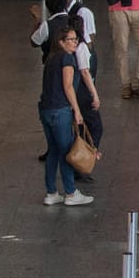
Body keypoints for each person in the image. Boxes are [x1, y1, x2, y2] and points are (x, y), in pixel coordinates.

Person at [39, 23, 94, 206]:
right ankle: (70, 192)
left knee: (53, 151)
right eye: (70, 39)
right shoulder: (67, 59)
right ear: (61, 42)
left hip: (46, 109)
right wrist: (77, 111)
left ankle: (51, 192)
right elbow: (68, 86)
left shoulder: (51, 58)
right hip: (60, 110)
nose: (74, 42)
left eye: (75, 39)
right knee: (67, 151)